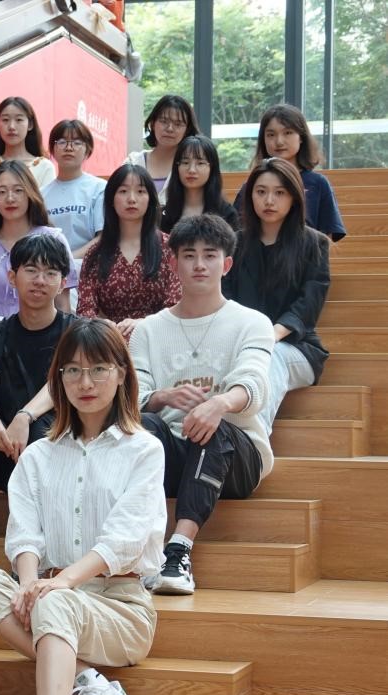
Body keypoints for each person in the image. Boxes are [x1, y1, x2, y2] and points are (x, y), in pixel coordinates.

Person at [0, 318, 165, 695]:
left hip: (121, 605)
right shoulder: (38, 455)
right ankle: (87, 680)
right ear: (58, 380)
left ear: (122, 373)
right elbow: (24, 533)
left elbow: (124, 539)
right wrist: (29, 583)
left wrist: (59, 584)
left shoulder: (145, 449)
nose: (84, 382)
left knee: (55, 601)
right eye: (72, 371)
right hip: (55, 597)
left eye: (98, 369)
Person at [130, 214, 274, 596]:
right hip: (174, 453)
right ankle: (132, 546)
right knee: (141, 425)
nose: (199, 264)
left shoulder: (252, 322)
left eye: (209, 255)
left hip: (236, 457)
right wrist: (161, 396)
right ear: (173, 263)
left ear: (226, 264)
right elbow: (133, 395)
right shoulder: (147, 330)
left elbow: (254, 383)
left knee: (213, 426)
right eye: (189, 255)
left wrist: (219, 403)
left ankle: (177, 552)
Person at [0, 231, 79, 568]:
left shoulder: (76, 332)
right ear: (12, 277)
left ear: (62, 283)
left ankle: (40, 549)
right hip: (4, 449)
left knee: (46, 428)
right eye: (31, 270)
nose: (40, 280)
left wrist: (25, 416)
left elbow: (64, 381)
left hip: (60, 450)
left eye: (50, 273)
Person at [224, 157, 331, 433]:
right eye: (261, 191)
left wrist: (268, 337)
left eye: (279, 192)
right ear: (250, 196)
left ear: (294, 198)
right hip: (239, 344)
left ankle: (252, 445)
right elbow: (225, 299)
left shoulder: (314, 243)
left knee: (268, 359)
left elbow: (308, 304)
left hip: (295, 347)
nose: (269, 200)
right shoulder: (234, 244)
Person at [0, 161, 79, 322]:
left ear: (30, 193)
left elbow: (62, 301)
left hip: (42, 327)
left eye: (18, 190)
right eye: (2, 192)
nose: (10, 198)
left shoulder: (54, 239)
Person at [77, 164, 180, 338]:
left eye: (140, 191)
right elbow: (85, 310)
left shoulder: (170, 247)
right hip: (110, 340)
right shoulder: (95, 253)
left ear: (150, 199)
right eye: (123, 191)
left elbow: (177, 304)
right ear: (111, 199)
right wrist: (103, 325)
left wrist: (144, 323)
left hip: (160, 337)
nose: (131, 199)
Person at [233, 104, 346, 242]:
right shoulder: (251, 186)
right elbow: (234, 235)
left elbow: (326, 238)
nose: (279, 141)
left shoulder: (318, 183)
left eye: (287, 133)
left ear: (301, 137)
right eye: (271, 135)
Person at [0, 96, 57, 219]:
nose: (11, 126)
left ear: (30, 124)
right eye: (5, 120)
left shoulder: (44, 167)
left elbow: (47, 208)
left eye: (19, 120)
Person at [43, 118, 107, 267]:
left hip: (88, 269)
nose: (69, 148)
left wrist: (68, 260)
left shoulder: (99, 188)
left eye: (77, 142)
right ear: (52, 149)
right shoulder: (41, 195)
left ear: (87, 149)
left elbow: (103, 237)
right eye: (62, 142)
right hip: (49, 270)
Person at [124, 94, 200, 209]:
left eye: (178, 124)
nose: (170, 128)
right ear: (152, 123)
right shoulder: (133, 162)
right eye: (164, 121)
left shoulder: (192, 168)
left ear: (187, 130)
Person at [159, 135, 239, 234]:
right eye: (185, 162)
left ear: (212, 168)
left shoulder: (226, 214)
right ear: (177, 167)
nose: (191, 170)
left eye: (200, 163)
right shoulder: (164, 215)